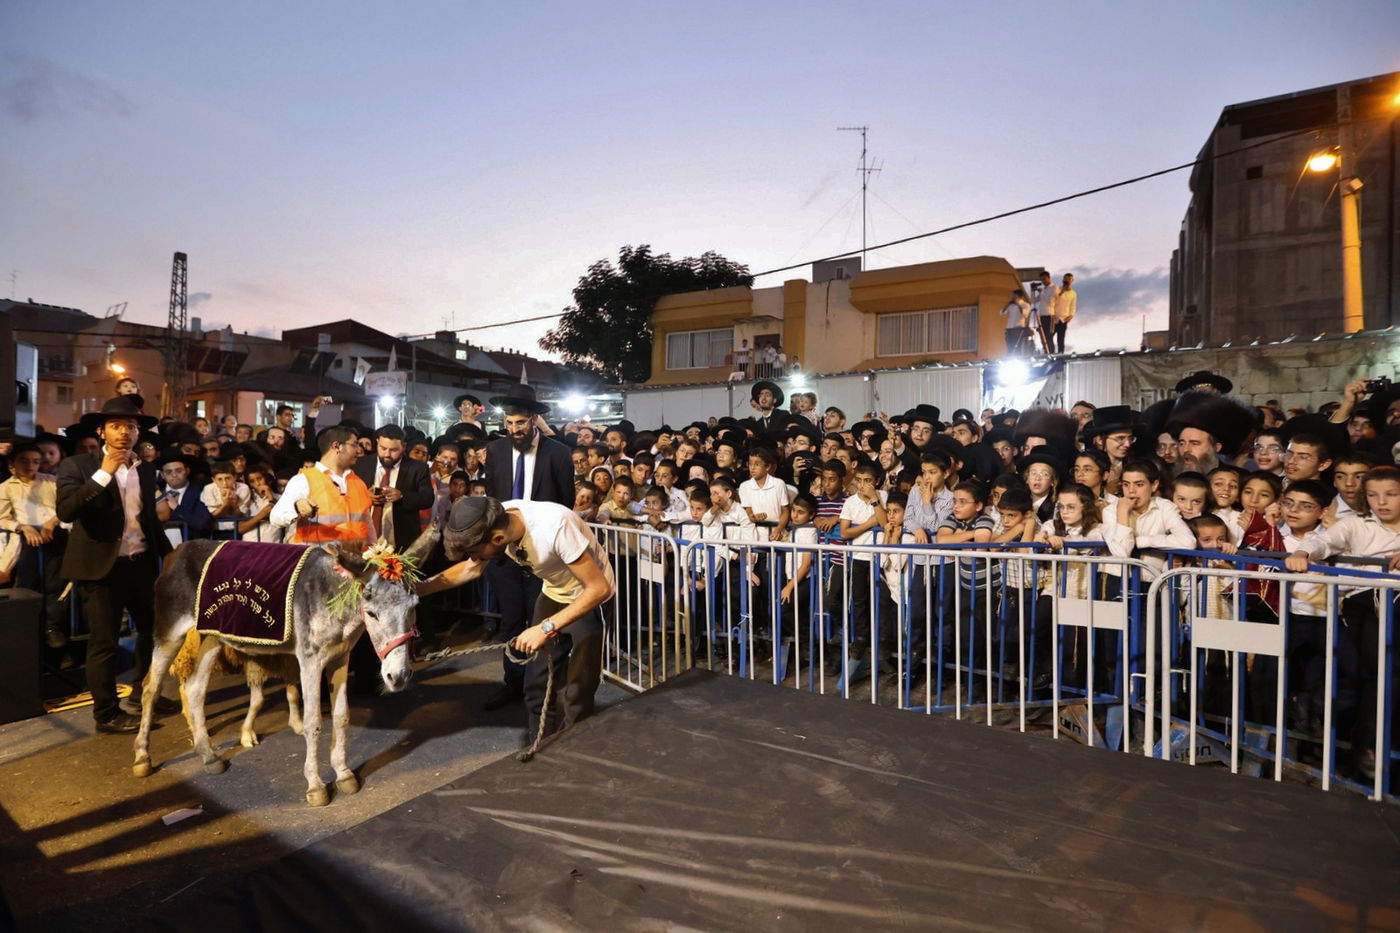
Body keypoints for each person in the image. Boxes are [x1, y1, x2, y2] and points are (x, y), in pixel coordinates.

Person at [420, 496, 616, 740]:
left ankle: (573, 751)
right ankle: (540, 745)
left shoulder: (554, 526)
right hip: (554, 591)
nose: (474, 557)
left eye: (474, 552)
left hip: (588, 598)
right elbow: (472, 568)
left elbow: (598, 589)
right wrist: (418, 589)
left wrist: (545, 628)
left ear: (498, 539)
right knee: (536, 683)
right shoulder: (494, 519)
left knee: (578, 691)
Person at [55, 396, 177, 733]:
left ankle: (143, 693)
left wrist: (170, 555)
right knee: (104, 642)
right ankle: (106, 713)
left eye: (131, 427)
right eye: (116, 426)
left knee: (153, 632)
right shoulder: (78, 465)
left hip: (140, 564)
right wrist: (103, 475)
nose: (124, 432)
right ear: (102, 430)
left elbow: (148, 519)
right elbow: (66, 511)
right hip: (100, 568)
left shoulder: (146, 468)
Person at [481, 384, 575, 712]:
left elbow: (566, 505)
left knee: (542, 620)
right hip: (506, 553)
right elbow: (493, 502)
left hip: (544, 554)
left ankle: (541, 686)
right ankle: (512, 682)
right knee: (511, 620)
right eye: (509, 423)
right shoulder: (493, 451)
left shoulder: (558, 453)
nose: (514, 429)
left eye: (520, 423)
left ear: (534, 420)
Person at [268, 424, 371, 547]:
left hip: (356, 563)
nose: (359, 450)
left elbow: (368, 527)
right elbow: (275, 517)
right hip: (316, 562)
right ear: (336, 446)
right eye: (354, 445)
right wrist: (296, 507)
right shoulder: (304, 480)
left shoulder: (358, 483)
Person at [1000, 288, 1031, 355]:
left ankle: (1018, 361)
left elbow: (1025, 315)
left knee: (1017, 348)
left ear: (1019, 296)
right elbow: (1002, 313)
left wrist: (1018, 305)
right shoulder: (1011, 305)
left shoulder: (1025, 305)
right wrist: (1008, 304)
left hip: (1018, 329)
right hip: (1009, 328)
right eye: (1013, 295)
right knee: (1009, 348)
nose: (1012, 297)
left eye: (1014, 295)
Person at [1052, 273, 1076, 353]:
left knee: (1061, 339)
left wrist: (1071, 315)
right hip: (1054, 317)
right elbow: (1053, 301)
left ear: (1072, 281)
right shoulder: (1057, 289)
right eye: (1066, 279)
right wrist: (1061, 292)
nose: (1067, 280)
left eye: (1069, 279)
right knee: (1049, 337)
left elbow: (1073, 306)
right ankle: (1049, 352)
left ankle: (1060, 355)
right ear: (1063, 280)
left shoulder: (1073, 294)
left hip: (1064, 318)